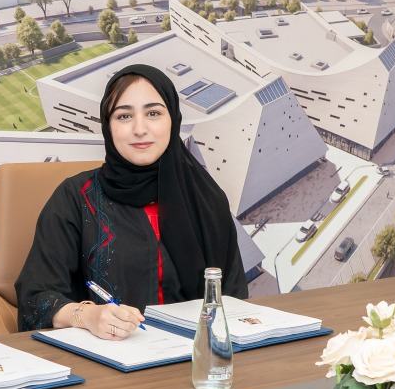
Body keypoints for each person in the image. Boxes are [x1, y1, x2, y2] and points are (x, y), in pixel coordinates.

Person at [16, 63, 247, 338]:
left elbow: (234, 300)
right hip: (108, 362)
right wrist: (87, 315)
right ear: (108, 126)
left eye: (153, 113)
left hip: (196, 358)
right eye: (124, 116)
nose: (140, 129)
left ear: (173, 118)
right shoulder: (75, 198)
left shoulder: (206, 199)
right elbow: (35, 298)